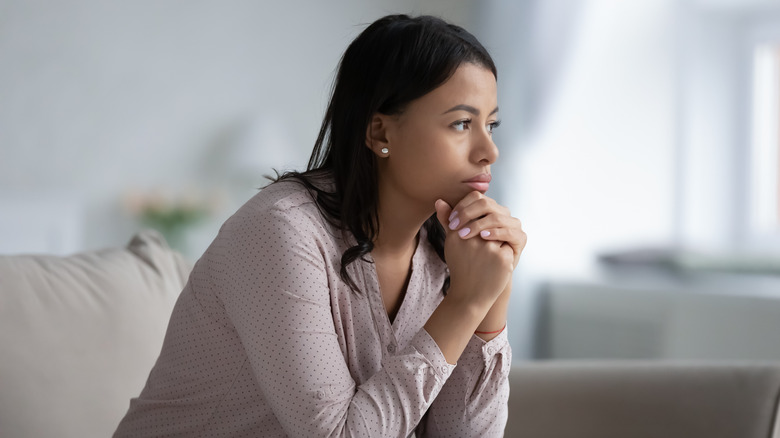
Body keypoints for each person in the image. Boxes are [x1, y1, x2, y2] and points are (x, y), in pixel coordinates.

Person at [114, 13, 526, 437]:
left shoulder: (450, 252)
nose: (489, 151)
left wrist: (492, 297)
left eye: (490, 125)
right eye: (461, 123)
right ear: (380, 132)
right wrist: (464, 305)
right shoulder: (279, 231)